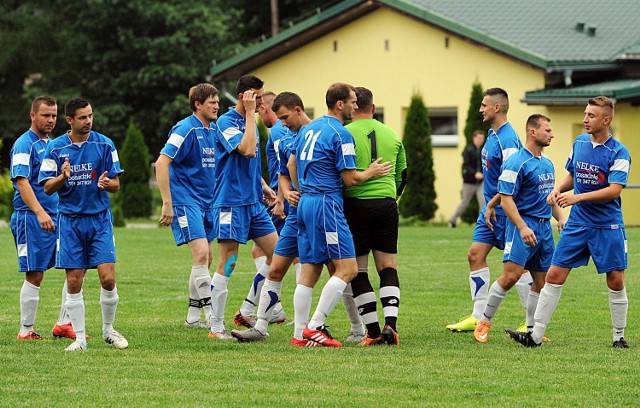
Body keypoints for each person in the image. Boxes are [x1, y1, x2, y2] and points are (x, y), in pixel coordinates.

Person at [509, 96, 631, 349]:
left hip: (607, 225)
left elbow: (614, 190)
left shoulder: (619, 152)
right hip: (578, 223)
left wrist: (575, 197)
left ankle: (618, 336)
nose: (585, 119)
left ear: (606, 120)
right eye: (585, 114)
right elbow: (573, 174)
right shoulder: (580, 143)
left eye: (591, 116)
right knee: (553, 275)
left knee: (615, 280)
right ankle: (535, 336)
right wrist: (557, 189)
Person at [289, 83, 391, 347]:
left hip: (306, 203)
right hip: (326, 204)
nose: (356, 106)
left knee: (309, 271)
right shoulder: (340, 133)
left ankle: (299, 335)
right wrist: (371, 172)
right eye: (353, 102)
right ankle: (315, 326)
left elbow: (292, 164)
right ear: (340, 104)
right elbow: (350, 178)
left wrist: (303, 190)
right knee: (348, 268)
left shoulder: (307, 129)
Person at [38, 97, 128, 351]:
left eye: (90, 116)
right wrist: (63, 177)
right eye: (82, 117)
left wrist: (106, 184)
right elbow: (46, 188)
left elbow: (116, 185)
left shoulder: (104, 144)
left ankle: (109, 330)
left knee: (107, 278)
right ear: (70, 120)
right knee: (74, 281)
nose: (88, 121)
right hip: (70, 221)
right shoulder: (55, 149)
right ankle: (79, 339)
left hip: (99, 219)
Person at [446, 88, 533, 333]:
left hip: (504, 210)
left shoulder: (508, 139)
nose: (480, 109)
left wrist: (494, 203)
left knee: (518, 267)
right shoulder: (492, 135)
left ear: (497, 108)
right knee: (475, 255)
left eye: (484, 105)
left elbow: (513, 178)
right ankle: (477, 315)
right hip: (489, 210)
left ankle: (531, 322)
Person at [473, 114, 564, 343]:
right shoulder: (517, 162)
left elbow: (549, 197)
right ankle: (484, 321)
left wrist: (561, 218)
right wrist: (522, 227)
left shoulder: (547, 163)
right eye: (547, 130)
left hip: (544, 229)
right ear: (533, 132)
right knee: (511, 277)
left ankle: (532, 330)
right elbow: (506, 198)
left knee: (541, 283)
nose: (552, 134)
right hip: (523, 226)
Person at [208, 74, 279, 340]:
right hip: (230, 202)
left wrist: (262, 185)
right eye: (257, 97)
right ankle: (215, 327)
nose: (261, 103)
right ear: (243, 96)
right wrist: (250, 114)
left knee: (279, 256)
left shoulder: (250, 120)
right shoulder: (226, 121)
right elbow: (247, 150)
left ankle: (249, 309)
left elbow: (248, 162)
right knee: (229, 261)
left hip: (253, 203)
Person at [10, 96, 80, 341]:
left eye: (54, 115)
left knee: (74, 267)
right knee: (35, 272)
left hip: (58, 216)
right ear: (33, 115)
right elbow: (21, 181)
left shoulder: (52, 145)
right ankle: (25, 330)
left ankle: (64, 323)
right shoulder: (23, 144)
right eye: (45, 115)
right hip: (30, 217)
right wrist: (40, 212)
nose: (51, 120)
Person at [343, 86, 407, 346]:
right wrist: (391, 197)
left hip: (355, 205)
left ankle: (372, 332)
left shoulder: (344, 134)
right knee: (388, 267)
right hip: (386, 205)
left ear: (351, 106)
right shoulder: (391, 134)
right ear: (373, 107)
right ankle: (391, 326)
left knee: (358, 270)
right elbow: (403, 175)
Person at [155, 83, 219, 329]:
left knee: (207, 257)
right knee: (201, 254)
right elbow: (162, 163)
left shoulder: (212, 130)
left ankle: (192, 317)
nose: (216, 106)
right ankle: (212, 316)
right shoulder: (185, 128)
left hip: (207, 202)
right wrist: (167, 203)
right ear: (198, 105)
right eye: (211, 102)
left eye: (217, 102)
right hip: (185, 201)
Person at [448, 130, 485, 228]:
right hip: (469, 182)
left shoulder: (484, 151)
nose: (481, 140)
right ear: (474, 138)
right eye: (479, 138)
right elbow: (466, 165)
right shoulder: (468, 150)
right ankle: (452, 220)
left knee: (483, 201)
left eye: (482, 138)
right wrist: (475, 173)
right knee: (464, 203)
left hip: (481, 182)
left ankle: (482, 224)